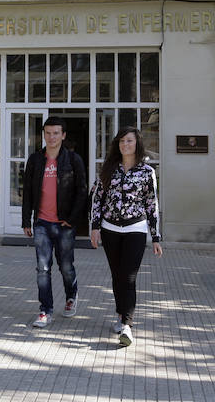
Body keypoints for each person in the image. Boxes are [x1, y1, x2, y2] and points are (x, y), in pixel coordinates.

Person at [89, 126, 163, 348]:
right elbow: (97, 199)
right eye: (121, 141)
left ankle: (127, 326)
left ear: (137, 144)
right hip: (110, 229)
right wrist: (95, 227)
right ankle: (121, 314)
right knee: (117, 275)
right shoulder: (108, 168)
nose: (125, 144)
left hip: (135, 229)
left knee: (129, 277)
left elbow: (151, 204)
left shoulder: (147, 172)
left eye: (129, 141)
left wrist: (156, 236)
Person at [21, 116, 88, 328]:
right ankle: (45, 310)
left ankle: (71, 295)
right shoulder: (35, 159)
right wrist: (26, 220)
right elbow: (28, 192)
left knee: (66, 266)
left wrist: (73, 220)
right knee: (43, 268)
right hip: (42, 222)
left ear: (63, 135)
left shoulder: (73, 160)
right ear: (43, 135)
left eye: (56, 133)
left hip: (64, 224)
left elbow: (82, 192)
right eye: (48, 133)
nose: (52, 137)